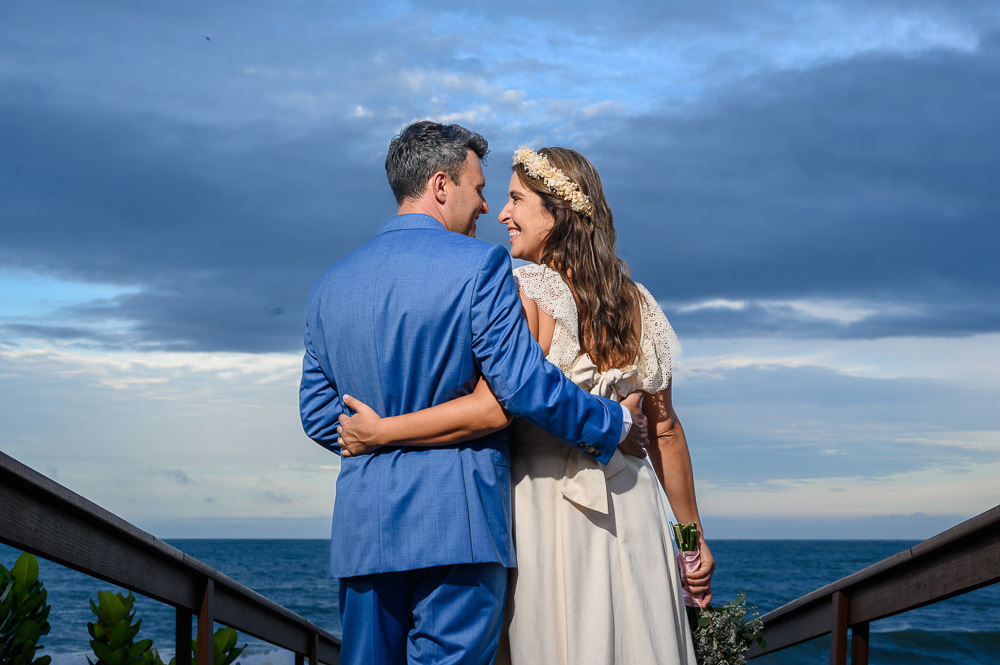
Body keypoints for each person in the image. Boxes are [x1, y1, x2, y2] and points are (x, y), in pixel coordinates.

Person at [338, 145, 714, 664]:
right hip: (634, 506)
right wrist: (691, 542)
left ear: (556, 213)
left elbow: (490, 408)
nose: (504, 214)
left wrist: (382, 432)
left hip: (545, 507)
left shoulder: (523, 292)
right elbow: (666, 429)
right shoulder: (638, 302)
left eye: (516, 199)